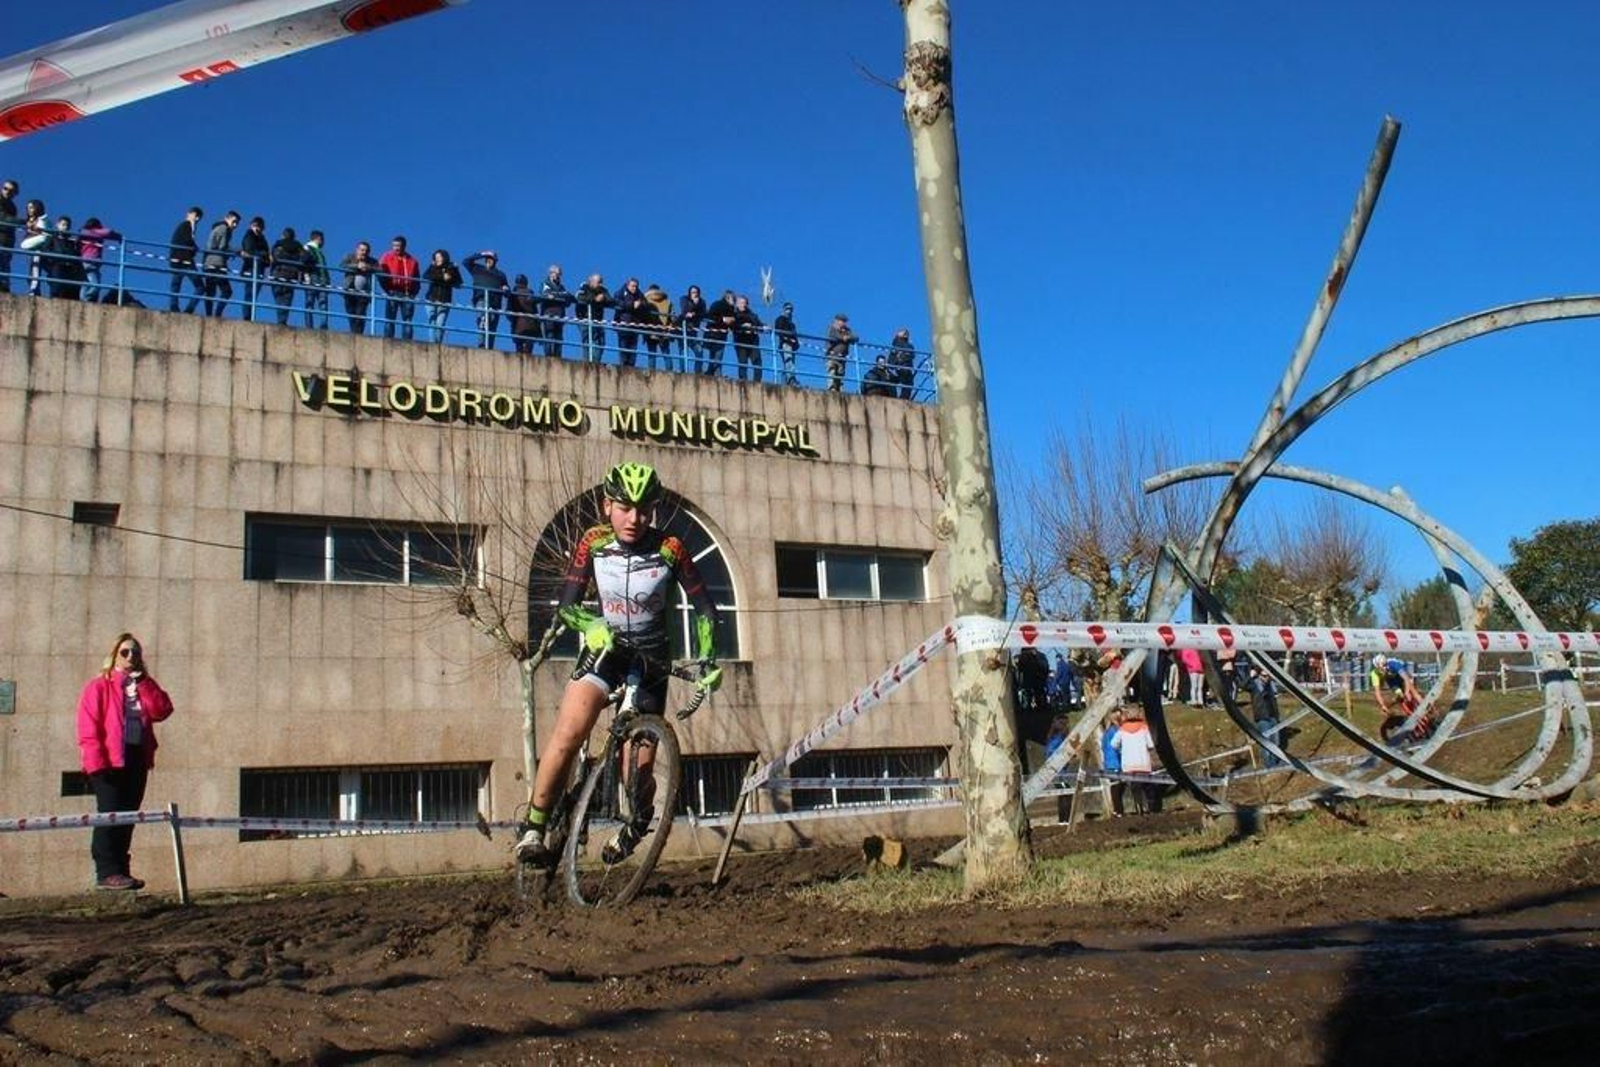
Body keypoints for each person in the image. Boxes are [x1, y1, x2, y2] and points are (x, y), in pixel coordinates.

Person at [512, 463, 724, 866]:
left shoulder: (670, 548)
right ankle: (534, 827)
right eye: (625, 507)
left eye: (645, 510)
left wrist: (708, 658)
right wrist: (590, 624)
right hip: (605, 649)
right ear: (608, 505)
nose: (635, 519)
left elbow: (705, 609)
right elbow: (568, 606)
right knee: (569, 733)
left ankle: (637, 823)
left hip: (651, 658)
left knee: (637, 774)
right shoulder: (593, 543)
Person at [76, 633, 174, 891]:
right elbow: (88, 728)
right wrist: (96, 763)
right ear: (115, 655)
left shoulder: (141, 686)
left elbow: (162, 709)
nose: (131, 657)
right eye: (125, 652)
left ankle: (121, 870)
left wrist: (144, 682)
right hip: (108, 760)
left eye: (136, 653)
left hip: (135, 758)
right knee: (110, 814)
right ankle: (106, 872)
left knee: (128, 816)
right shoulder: (99, 686)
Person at [1111, 706, 1160, 814]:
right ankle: (1152, 810)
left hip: (1128, 765)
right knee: (1148, 788)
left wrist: (1122, 749)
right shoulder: (1143, 727)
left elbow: (1113, 744)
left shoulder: (1122, 729)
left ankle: (1139, 810)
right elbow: (1151, 744)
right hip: (1143, 763)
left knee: (1135, 789)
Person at [1372, 653, 1431, 742]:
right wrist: (1382, 705)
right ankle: (1412, 717)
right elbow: (1377, 692)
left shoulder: (1393, 664)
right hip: (1392, 680)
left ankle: (1426, 708)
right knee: (1401, 697)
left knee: (1412, 692)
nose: (1382, 671)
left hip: (1403, 674)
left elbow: (1406, 679)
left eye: (1383, 668)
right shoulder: (1374, 674)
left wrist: (1407, 691)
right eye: (1379, 669)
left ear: (1386, 664)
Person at [378, 235, 421, 340]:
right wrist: (387, 289)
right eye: (394, 246)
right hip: (392, 291)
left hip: (407, 294)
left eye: (398, 246)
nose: (396, 248)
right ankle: (388, 340)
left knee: (407, 320)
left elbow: (417, 279)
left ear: (404, 246)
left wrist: (413, 294)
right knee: (390, 319)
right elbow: (380, 273)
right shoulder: (386, 257)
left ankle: (407, 343)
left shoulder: (413, 261)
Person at [464, 251, 509, 349]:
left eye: (492, 259)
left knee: (492, 326)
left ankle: (490, 348)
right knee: (482, 320)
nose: (489, 260)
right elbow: (466, 262)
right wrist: (482, 254)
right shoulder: (477, 269)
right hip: (481, 298)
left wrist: (505, 289)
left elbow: (507, 291)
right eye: (488, 258)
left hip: (495, 303)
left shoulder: (500, 274)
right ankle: (481, 345)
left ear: (495, 261)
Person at [201, 210, 239, 318]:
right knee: (227, 291)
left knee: (210, 292)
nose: (235, 225)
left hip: (209, 263)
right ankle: (217, 314)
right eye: (234, 221)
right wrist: (236, 251)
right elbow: (222, 247)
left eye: (237, 223)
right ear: (227, 218)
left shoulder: (217, 228)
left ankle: (209, 315)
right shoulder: (224, 229)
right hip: (217, 264)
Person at [1246, 663, 1284, 767]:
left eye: (1268, 676)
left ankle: (1275, 763)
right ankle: (1269, 765)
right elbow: (1243, 685)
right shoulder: (1254, 685)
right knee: (1266, 743)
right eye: (1263, 676)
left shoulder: (1271, 685)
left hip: (1273, 716)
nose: (1266, 678)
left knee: (1276, 742)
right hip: (1262, 717)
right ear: (1259, 675)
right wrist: (1250, 676)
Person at [340, 240, 381, 334]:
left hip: (363, 293)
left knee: (360, 314)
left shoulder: (372, 261)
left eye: (366, 251)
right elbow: (342, 266)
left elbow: (380, 270)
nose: (364, 252)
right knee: (351, 314)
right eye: (362, 250)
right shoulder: (350, 257)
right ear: (357, 250)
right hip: (349, 290)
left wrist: (368, 267)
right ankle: (354, 333)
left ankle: (358, 334)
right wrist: (356, 266)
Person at [167, 206, 204, 313]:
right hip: (185, 261)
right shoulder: (188, 226)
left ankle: (174, 307)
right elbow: (188, 241)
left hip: (175, 260)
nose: (196, 219)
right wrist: (195, 249)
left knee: (176, 285)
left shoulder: (181, 226)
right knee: (200, 287)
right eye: (196, 216)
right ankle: (189, 309)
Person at [78, 217, 122, 304]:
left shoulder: (84, 232)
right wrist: (118, 236)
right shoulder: (93, 232)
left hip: (88, 261)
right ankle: (85, 300)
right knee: (96, 285)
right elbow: (108, 232)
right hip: (90, 261)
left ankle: (83, 298)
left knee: (87, 282)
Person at [423, 249, 462, 343]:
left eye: (439, 257)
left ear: (444, 257)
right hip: (431, 299)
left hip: (444, 300)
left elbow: (459, 283)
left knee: (440, 324)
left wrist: (455, 272)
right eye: (436, 258)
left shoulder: (451, 268)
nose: (437, 260)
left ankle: (438, 343)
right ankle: (433, 344)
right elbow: (426, 276)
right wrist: (442, 277)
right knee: (432, 323)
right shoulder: (433, 267)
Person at [45, 215, 87, 300]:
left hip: (70, 267)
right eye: (63, 225)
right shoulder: (52, 238)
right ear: (58, 225)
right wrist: (55, 258)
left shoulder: (71, 241)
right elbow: (46, 251)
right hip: (57, 265)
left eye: (67, 225)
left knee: (71, 291)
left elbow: (76, 254)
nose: (65, 227)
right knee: (56, 289)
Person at [268, 227, 304, 325]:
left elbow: (273, 258)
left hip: (278, 274)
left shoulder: (278, 244)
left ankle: (281, 320)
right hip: (291, 275)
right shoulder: (298, 246)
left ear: (283, 235)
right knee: (287, 300)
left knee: (278, 298)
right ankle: (282, 321)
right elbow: (304, 259)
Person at [574, 272, 611, 362]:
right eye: (599, 282)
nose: (601, 284)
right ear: (591, 282)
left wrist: (604, 298)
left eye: (601, 282)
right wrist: (594, 299)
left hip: (598, 321)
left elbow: (610, 300)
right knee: (588, 342)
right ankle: (589, 363)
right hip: (585, 320)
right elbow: (579, 298)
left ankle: (595, 362)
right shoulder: (584, 288)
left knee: (601, 342)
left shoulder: (603, 290)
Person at [612, 277, 648, 368]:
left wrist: (640, 305)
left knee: (633, 346)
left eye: (636, 286)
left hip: (635, 324)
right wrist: (632, 305)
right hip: (623, 323)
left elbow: (646, 304)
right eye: (632, 286)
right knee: (623, 345)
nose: (634, 288)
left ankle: (631, 365)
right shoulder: (620, 292)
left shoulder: (639, 294)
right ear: (628, 285)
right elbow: (616, 302)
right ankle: (623, 364)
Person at [239, 216, 271, 320]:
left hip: (259, 269)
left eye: (259, 227)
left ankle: (250, 315)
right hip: (250, 268)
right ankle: (247, 317)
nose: (257, 228)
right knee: (250, 293)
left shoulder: (262, 239)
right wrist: (263, 254)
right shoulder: (249, 235)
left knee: (253, 294)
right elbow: (250, 250)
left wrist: (265, 256)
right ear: (251, 226)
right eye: (255, 226)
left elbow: (267, 255)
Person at [538, 264, 571, 357]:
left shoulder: (562, 287)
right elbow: (546, 294)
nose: (559, 276)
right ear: (551, 273)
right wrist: (560, 295)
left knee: (559, 337)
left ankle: (557, 356)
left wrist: (558, 296)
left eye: (560, 274)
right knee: (549, 335)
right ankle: (548, 356)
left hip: (560, 315)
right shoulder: (545, 283)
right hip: (548, 314)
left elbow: (566, 300)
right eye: (557, 274)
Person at [701, 289, 736, 376]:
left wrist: (733, 321)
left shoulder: (731, 309)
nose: (734, 301)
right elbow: (710, 315)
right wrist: (723, 319)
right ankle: (717, 373)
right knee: (717, 354)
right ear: (727, 298)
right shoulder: (718, 304)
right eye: (733, 298)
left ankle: (711, 372)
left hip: (720, 334)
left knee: (715, 354)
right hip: (713, 333)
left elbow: (732, 321)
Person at [731, 294, 764, 383]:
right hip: (740, 341)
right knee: (743, 362)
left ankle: (757, 382)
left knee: (757, 362)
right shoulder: (734, 315)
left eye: (744, 303)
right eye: (741, 303)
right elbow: (732, 325)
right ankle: (743, 381)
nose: (743, 305)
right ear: (737, 304)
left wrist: (760, 327)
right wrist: (742, 326)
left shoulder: (752, 315)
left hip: (753, 341)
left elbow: (760, 325)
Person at [301, 230, 330, 329]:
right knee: (312, 303)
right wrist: (306, 276)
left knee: (321, 304)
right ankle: (311, 326)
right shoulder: (307, 248)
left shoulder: (318, 251)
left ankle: (323, 325)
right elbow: (304, 262)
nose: (324, 242)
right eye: (323, 240)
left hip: (321, 280)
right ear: (318, 239)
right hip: (312, 278)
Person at [1099, 707, 1125, 816]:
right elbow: (1116, 747)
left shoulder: (1108, 732)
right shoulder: (1114, 732)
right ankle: (1118, 811)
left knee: (1119, 787)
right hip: (1114, 763)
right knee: (1116, 787)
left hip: (1111, 763)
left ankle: (1118, 810)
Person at [643, 281, 675, 371]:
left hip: (651, 331)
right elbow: (673, 317)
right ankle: (670, 373)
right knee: (666, 354)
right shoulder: (668, 302)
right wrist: (669, 329)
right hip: (664, 332)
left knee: (652, 354)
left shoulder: (646, 301)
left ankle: (651, 373)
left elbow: (642, 316)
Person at [507, 273, 539, 355]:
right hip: (531, 324)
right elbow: (535, 311)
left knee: (519, 349)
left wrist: (512, 320)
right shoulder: (530, 293)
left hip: (518, 324)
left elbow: (509, 310)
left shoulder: (513, 294)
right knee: (529, 349)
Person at [824, 312, 857, 392]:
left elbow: (856, 337)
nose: (844, 323)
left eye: (845, 321)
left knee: (840, 374)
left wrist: (848, 337)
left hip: (842, 356)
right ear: (837, 320)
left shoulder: (847, 330)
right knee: (832, 372)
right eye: (842, 321)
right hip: (832, 355)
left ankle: (840, 390)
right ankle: (831, 389)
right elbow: (833, 336)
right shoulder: (832, 328)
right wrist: (843, 338)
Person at [678, 284, 706, 373]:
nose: (695, 294)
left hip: (694, 331)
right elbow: (684, 311)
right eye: (693, 292)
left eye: (696, 292)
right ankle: (682, 371)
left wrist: (694, 311)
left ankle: (697, 371)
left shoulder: (702, 302)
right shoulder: (684, 299)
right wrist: (694, 304)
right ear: (689, 293)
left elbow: (703, 314)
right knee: (683, 351)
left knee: (699, 352)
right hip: (682, 329)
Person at [773, 301, 800, 385]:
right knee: (788, 361)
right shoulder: (780, 319)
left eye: (791, 309)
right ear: (784, 310)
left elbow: (794, 335)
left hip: (791, 345)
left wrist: (796, 343)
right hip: (785, 344)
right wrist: (787, 338)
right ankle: (791, 379)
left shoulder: (792, 324)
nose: (789, 311)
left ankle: (785, 382)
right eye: (788, 309)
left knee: (788, 363)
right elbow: (778, 331)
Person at [0, 178, 18, 294]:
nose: (7, 192)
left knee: (5, 265)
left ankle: (4, 287)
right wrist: (23, 222)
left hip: (7, 241)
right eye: (5, 188)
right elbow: (3, 218)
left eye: (11, 191)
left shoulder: (12, 207)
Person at [888, 327, 916, 400]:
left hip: (903, 368)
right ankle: (902, 398)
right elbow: (910, 355)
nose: (906, 335)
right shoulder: (900, 345)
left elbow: (911, 355)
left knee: (907, 384)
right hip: (903, 368)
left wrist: (893, 365)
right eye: (904, 333)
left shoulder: (897, 345)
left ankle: (902, 398)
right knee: (907, 384)